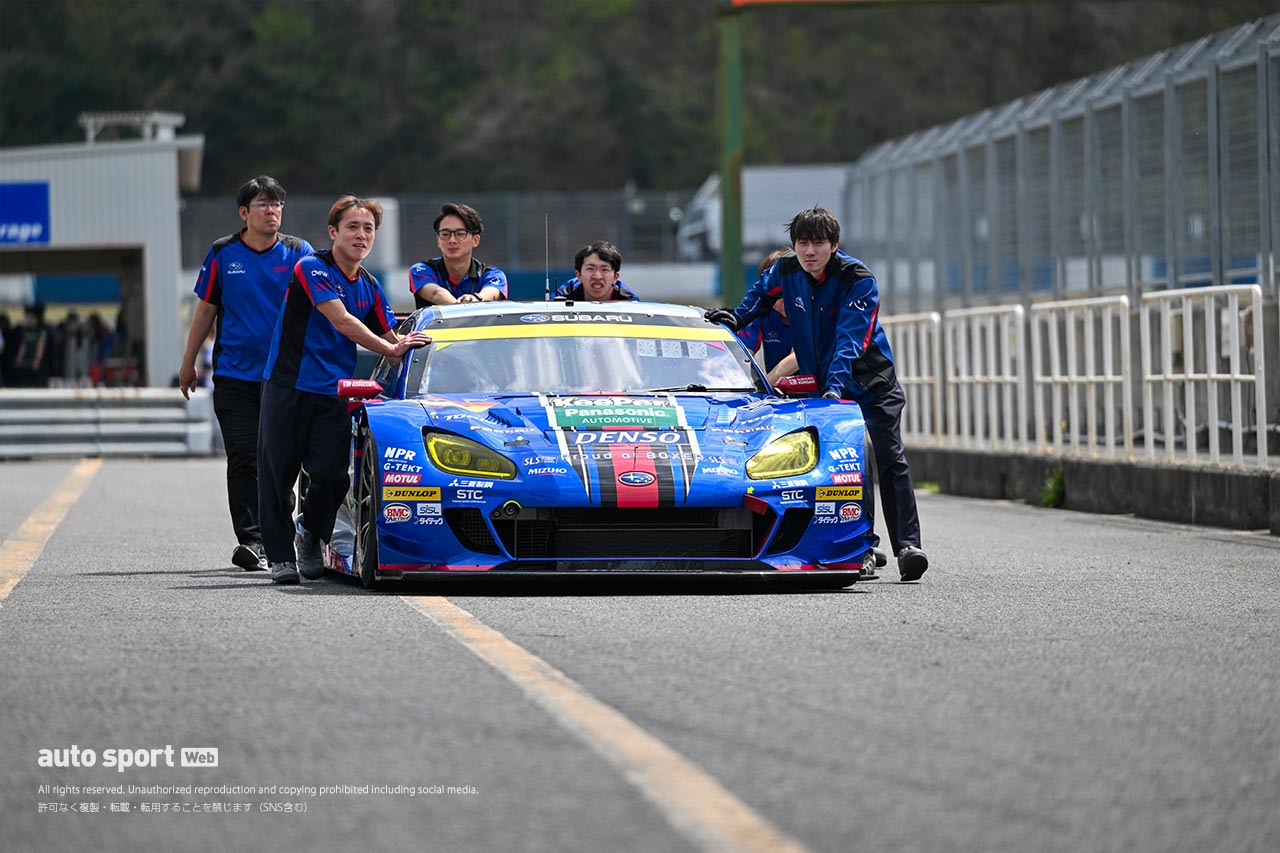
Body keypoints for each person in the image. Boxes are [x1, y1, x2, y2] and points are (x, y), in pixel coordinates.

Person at [706, 207, 929, 582]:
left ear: (834, 246)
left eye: (819, 243)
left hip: (869, 384)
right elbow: (759, 299)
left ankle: (908, 546)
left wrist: (833, 389)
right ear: (794, 246)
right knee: (850, 467)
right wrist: (734, 318)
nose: (810, 251)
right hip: (825, 386)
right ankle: (864, 548)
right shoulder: (786, 270)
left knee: (889, 457)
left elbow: (849, 341)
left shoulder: (858, 279)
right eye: (803, 243)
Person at [259, 196, 430, 585]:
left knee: (333, 475)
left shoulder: (369, 284)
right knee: (277, 474)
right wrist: (389, 348)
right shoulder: (311, 268)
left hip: (333, 393)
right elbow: (342, 321)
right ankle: (280, 557)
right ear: (333, 232)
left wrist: (419, 351)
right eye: (353, 227)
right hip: (287, 385)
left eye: (368, 229)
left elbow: (394, 334)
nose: (361, 235)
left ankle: (310, 533)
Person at [177, 175, 315, 573]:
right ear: (244, 213)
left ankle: (282, 535)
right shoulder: (222, 254)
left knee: (281, 460)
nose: (271, 211)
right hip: (235, 376)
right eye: (263, 205)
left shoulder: (298, 253)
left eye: (276, 205)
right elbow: (205, 310)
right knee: (243, 455)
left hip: (286, 377)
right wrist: (188, 363)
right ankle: (252, 539)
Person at [409, 202, 507, 307]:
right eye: (445, 234)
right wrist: (464, 306)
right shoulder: (421, 270)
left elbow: (491, 293)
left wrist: (476, 299)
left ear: (476, 240)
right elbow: (435, 293)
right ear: (438, 240)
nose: (452, 240)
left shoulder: (493, 275)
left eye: (460, 234)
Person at [736, 247, 795, 386]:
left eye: (787, 292)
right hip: (776, 393)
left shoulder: (811, 310)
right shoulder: (762, 313)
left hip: (820, 394)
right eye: (776, 295)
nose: (783, 301)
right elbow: (742, 354)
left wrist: (764, 386)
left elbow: (797, 357)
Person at [554, 241, 639, 302]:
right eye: (590, 269)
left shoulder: (629, 302)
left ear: (615, 277)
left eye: (605, 269)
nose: (597, 276)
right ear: (579, 275)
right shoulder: (560, 297)